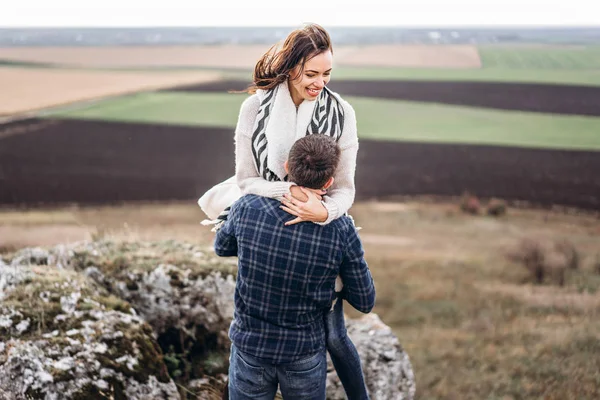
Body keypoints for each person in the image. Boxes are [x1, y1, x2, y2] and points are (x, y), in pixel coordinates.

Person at [199, 23, 369, 398]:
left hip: (322, 223)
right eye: (311, 74)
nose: (319, 83)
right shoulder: (253, 108)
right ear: (291, 67)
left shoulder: (343, 114)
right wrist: (289, 191)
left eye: (327, 74)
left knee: (335, 335)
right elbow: (246, 180)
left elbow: (344, 189)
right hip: (264, 213)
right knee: (258, 319)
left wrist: (322, 213)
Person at [214, 134, 375, 399]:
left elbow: (222, 247)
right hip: (303, 354)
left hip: (249, 346)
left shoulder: (247, 206)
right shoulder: (340, 229)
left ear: (287, 167)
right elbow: (365, 301)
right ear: (329, 182)